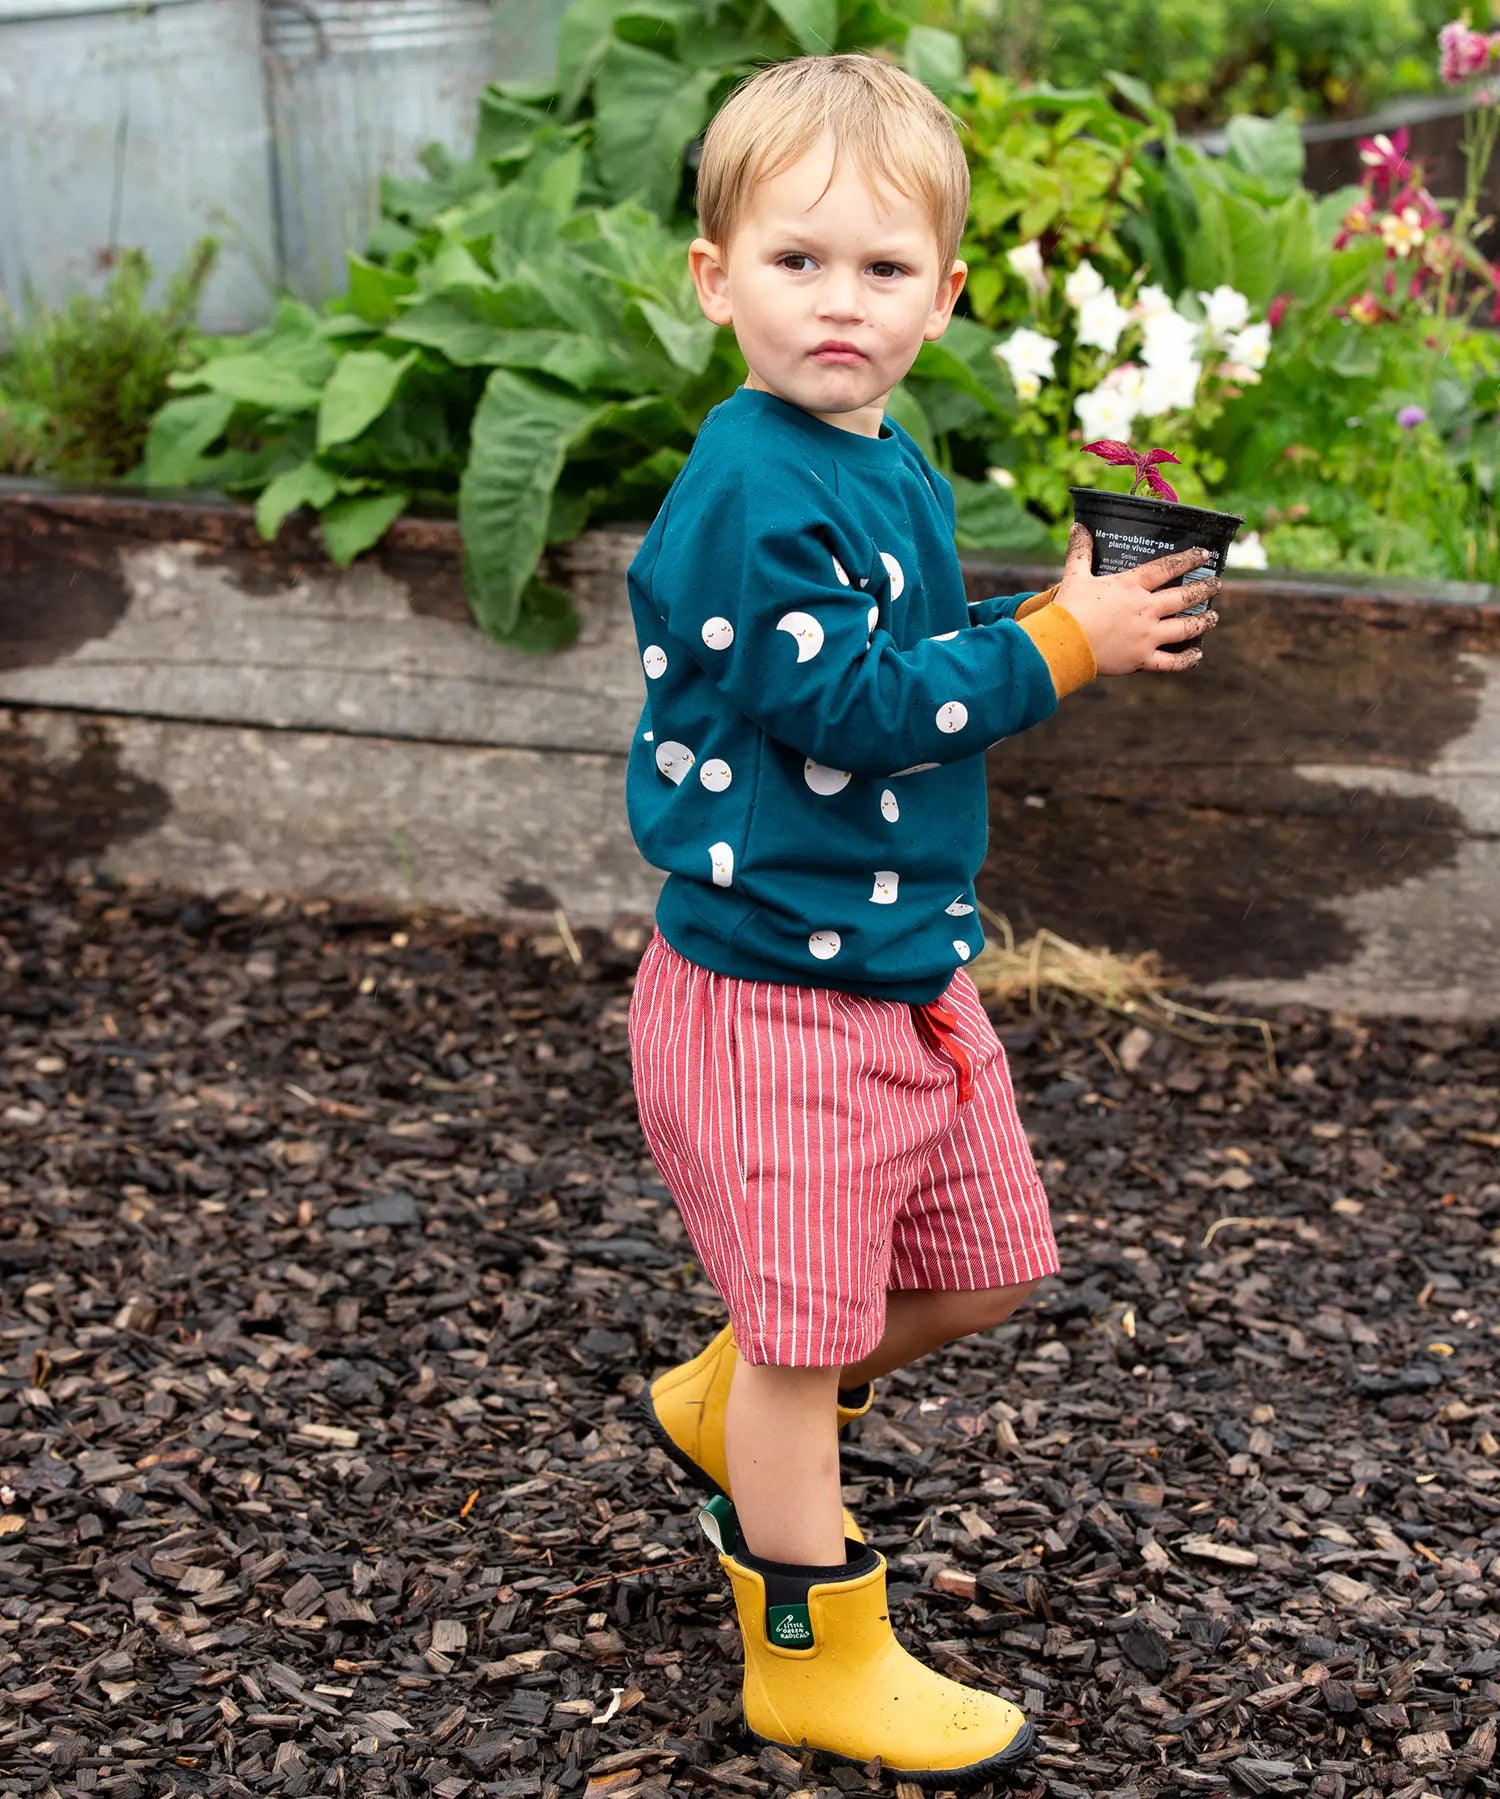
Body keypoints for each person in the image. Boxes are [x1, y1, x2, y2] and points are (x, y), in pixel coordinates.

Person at [624, 52, 1219, 1784]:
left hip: (893, 970)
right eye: (797, 260)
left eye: (883, 269)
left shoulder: (880, 459)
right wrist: (1058, 647)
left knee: (988, 1269)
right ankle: (809, 1640)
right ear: (715, 277)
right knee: (813, 1347)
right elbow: (853, 710)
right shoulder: (748, 485)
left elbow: (910, 657)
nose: (839, 302)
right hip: (766, 993)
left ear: (944, 299)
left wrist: (1057, 618)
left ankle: (728, 1402)